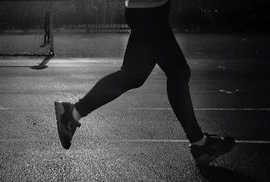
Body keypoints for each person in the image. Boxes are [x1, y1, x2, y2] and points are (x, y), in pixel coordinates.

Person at [54, 0, 235, 165]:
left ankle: (73, 113)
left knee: (134, 76)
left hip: (146, 11)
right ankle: (199, 144)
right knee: (177, 73)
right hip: (150, 12)